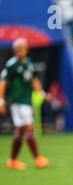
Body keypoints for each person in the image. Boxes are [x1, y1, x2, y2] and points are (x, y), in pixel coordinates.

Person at [0, 38, 49, 170]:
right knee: (28, 127)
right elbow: (3, 83)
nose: (22, 51)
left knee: (20, 132)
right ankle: (37, 158)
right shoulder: (11, 65)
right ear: (15, 50)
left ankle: (12, 160)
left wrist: (43, 94)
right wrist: (1, 101)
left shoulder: (28, 63)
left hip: (26, 101)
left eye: (24, 48)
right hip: (17, 101)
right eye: (20, 48)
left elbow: (34, 80)